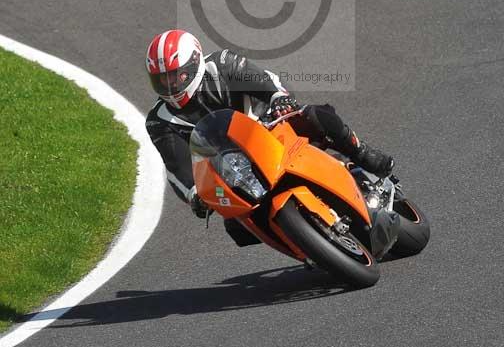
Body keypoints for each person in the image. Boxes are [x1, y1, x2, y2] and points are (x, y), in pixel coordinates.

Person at [145, 29, 394, 229]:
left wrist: (278, 98)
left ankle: (361, 152)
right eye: (162, 79)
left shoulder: (222, 64)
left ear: (195, 62)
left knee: (315, 116)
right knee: (235, 226)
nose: (170, 85)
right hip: (234, 167)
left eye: (176, 76)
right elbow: (175, 166)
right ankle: (302, 241)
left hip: (268, 125)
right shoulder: (159, 121)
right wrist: (193, 193)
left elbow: (265, 79)